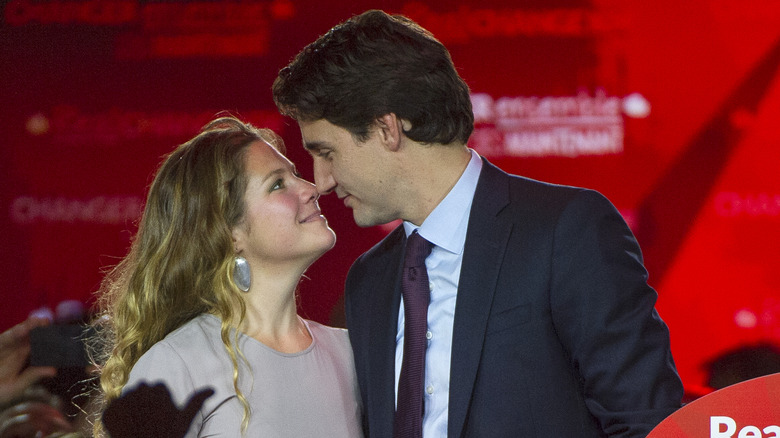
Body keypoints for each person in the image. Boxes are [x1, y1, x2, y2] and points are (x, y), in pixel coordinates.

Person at [272, 9, 684, 437]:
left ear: (386, 129)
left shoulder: (566, 230)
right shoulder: (369, 279)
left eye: (327, 152)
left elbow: (647, 423)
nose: (321, 180)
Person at [90, 116, 363, 437]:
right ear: (228, 233)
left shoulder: (347, 352)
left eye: (297, 175)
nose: (312, 188)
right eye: (277, 184)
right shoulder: (177, 363)